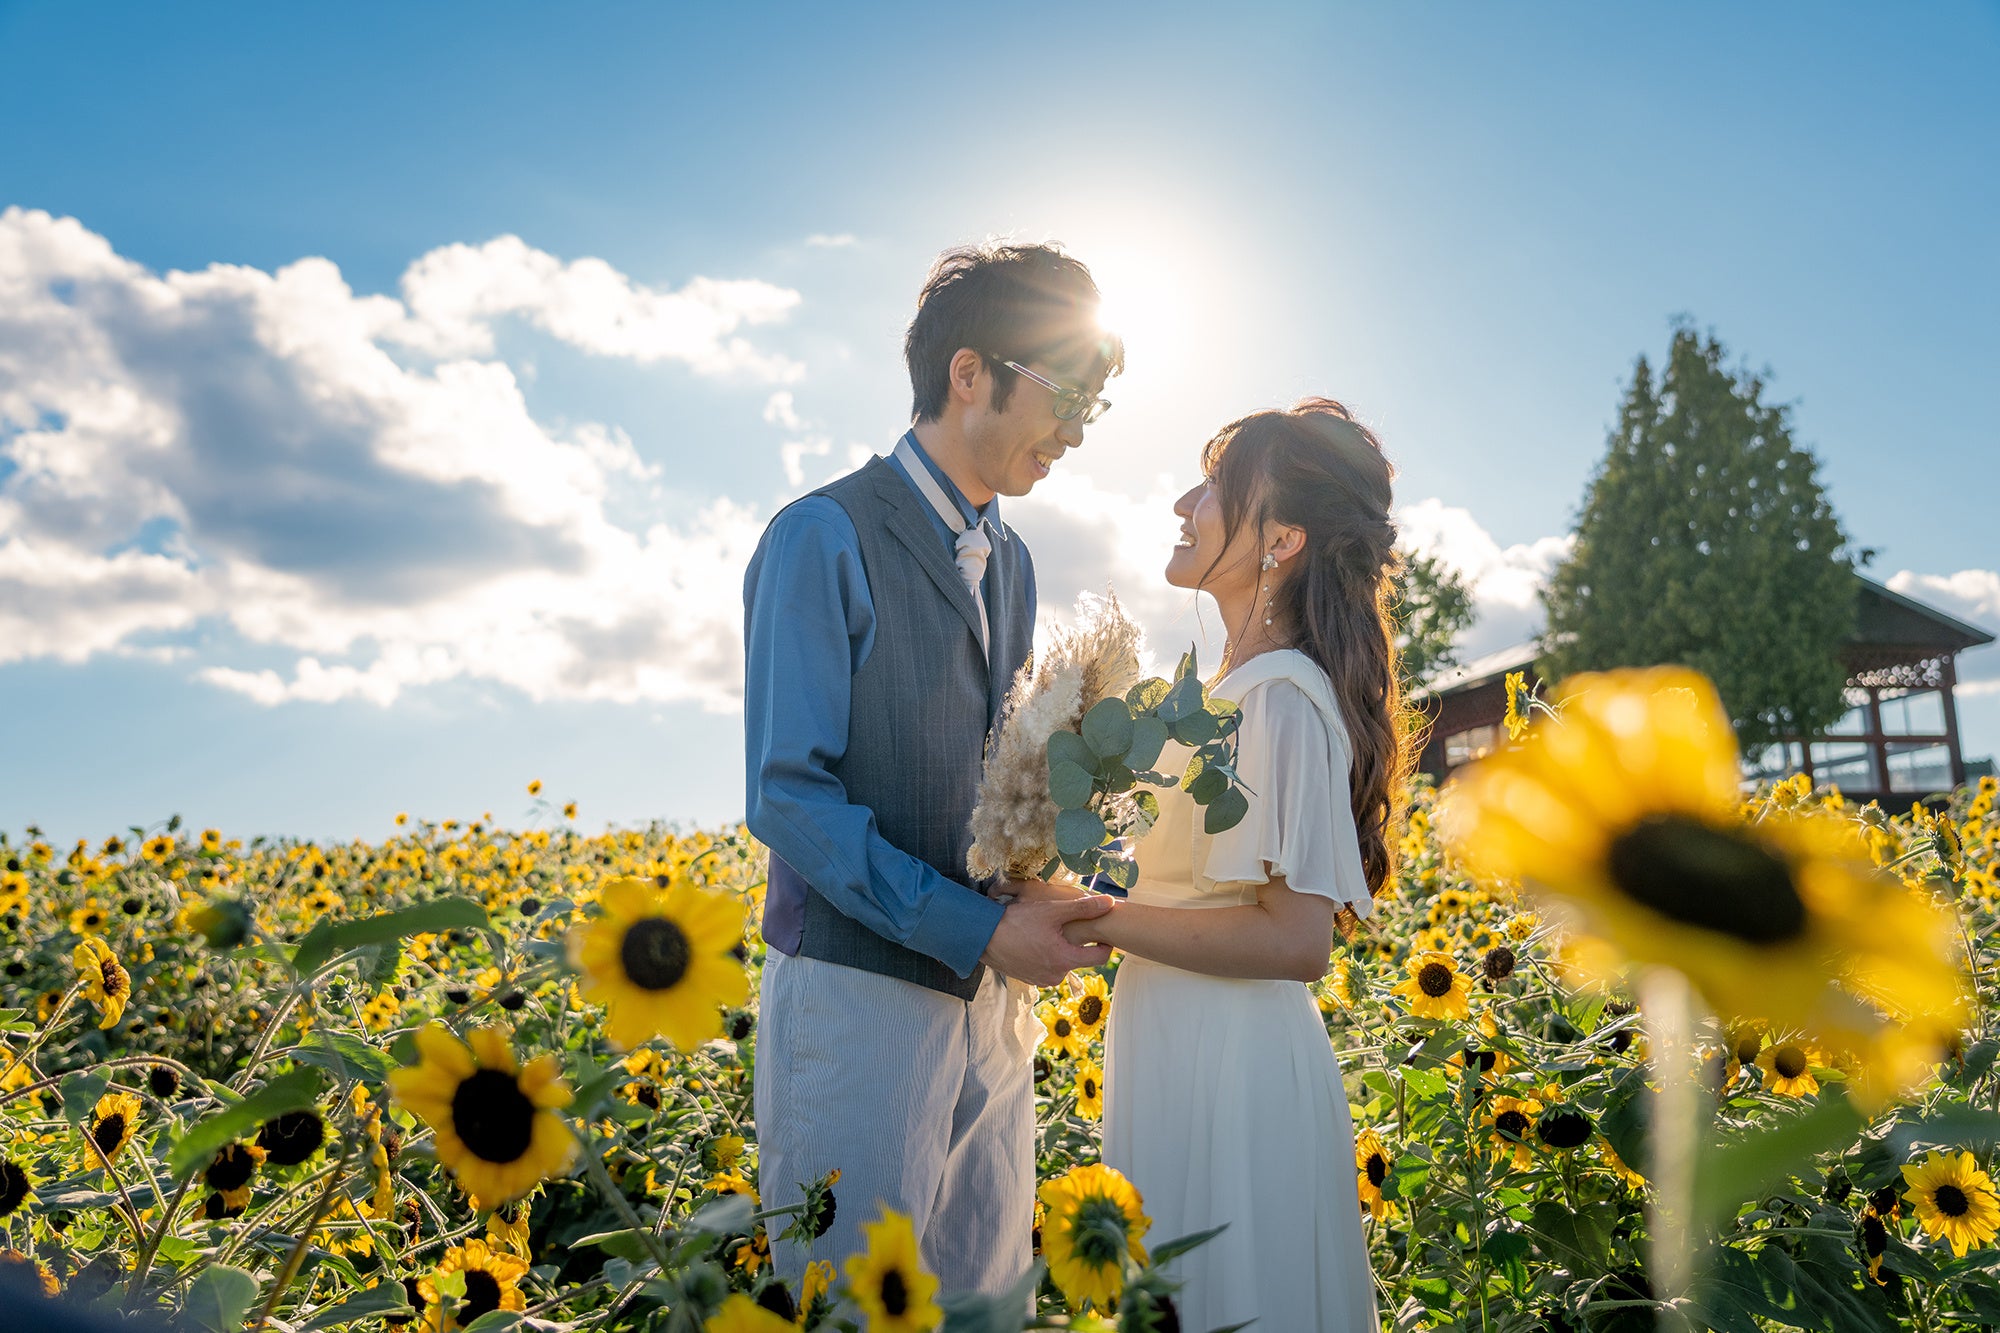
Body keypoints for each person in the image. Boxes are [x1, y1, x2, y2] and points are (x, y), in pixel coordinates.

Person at [743, 242, 1124, 1295]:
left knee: (985, 1297)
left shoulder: (1016, 560)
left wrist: (1037, 884)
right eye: (1066, 394)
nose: (1078, 430)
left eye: (1097, 403)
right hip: (853, 999)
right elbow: (787, 797)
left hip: (992, 1007)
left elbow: (995, 778)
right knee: (846, 1306)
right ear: (968, 374)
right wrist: (979, 926)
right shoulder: (819, 537)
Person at [1064, 398, 1401, 1329]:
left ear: (1282, 539)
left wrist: (1094, 917)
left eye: (1216, 487)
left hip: (1231, 1068)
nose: (1185, 500)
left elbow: (1297, 940)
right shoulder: (1224, 697)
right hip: (1178, 1043)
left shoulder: (1284, 700)